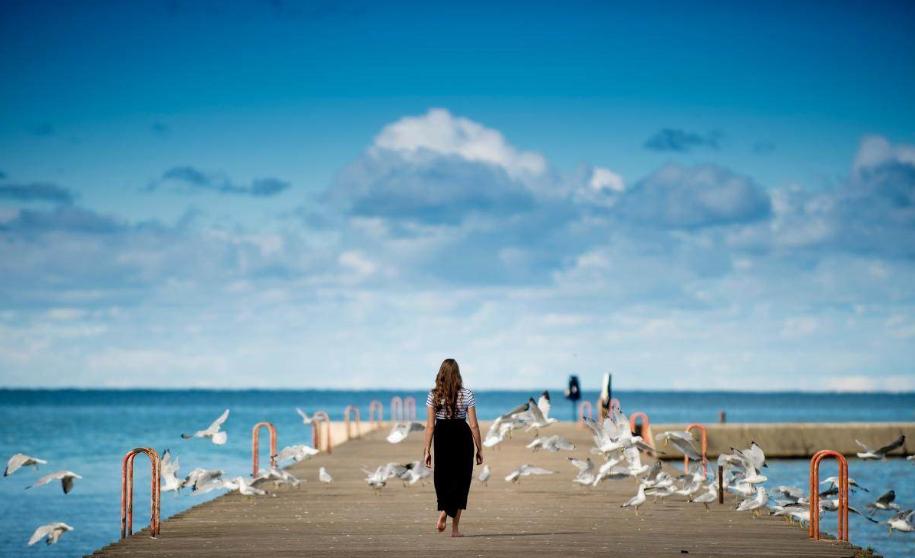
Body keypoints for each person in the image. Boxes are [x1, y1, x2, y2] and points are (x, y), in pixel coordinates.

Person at [423, 358, 483, 537]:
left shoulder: (434, 395)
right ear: (458, 375)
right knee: (462, 481)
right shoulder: (467, 394)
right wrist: (479, 448)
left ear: (440, 374)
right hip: (462, 436)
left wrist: (427, 449)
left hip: (442, 437)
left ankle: (444, 511)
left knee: (443, 478)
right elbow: (473, 425)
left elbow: (430, 426)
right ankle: (454, 529)